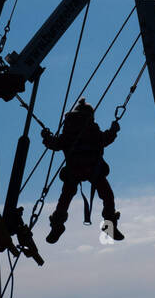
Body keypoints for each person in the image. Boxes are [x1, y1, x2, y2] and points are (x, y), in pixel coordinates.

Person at [40, 99, 124, 244]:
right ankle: (110, 225)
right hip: (93, 170)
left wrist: (46, 137)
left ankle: (57, 226)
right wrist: (114, 130)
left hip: (75, 171)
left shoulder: (70, 130)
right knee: (108, 197)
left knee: (64, 200)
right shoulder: (91, 129)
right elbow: (105, 139)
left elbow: (56, 144)